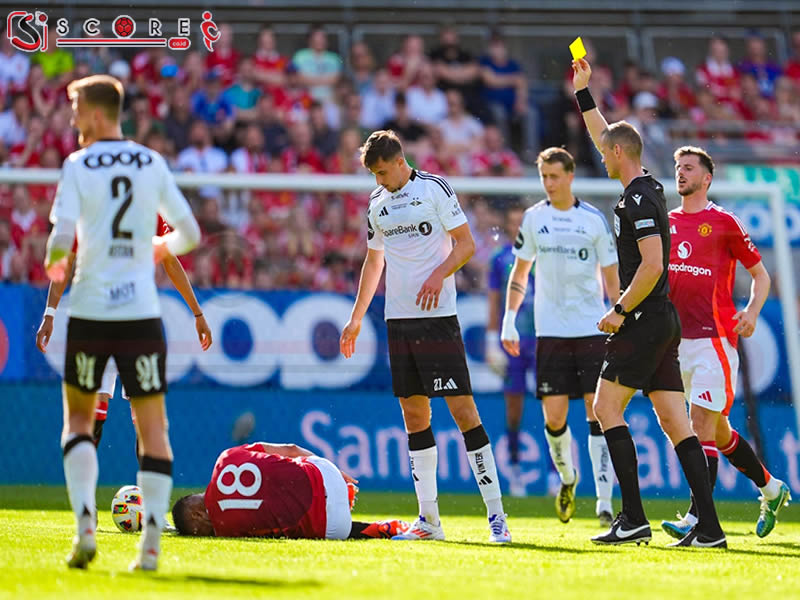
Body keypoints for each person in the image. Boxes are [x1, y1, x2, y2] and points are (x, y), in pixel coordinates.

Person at [44, 74, 201, 571]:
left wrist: (55, 269)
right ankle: (150, 546)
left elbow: (59, 245)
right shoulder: (150, 162)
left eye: (76, 111)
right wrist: (155, 247)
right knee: (153, 428)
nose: (73, 120)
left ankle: (85, 531)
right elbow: (190, 234)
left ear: (95, 114)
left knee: (77, 423)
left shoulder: (77, 165)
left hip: (90, 312)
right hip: (140, 315)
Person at [571, 58, 725, 548]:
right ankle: (710, 528)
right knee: (675, 421)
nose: (601, 156)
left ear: (618, 153)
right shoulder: (650, 186)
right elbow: (606, 134)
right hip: (664, 320)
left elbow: (654, 264)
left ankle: (633, 517)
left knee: (605, 406)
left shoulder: (637, 200)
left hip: (642, 318)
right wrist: (584, 93)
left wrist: (619, 310)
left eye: (605, 152)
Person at [339, 130, 511, 543]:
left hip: (437, 320)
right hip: (398, 322)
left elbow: (466, 245)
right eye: (373, 175)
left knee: (464, 412)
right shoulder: (377, 203)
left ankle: (497, 516)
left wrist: (438, 274)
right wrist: (356, 318)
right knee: (414, 416)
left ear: (400, 162)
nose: (379, 180)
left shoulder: (434, 188)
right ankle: (429, 521)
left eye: (382, 172)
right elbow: (374, 262)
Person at [661, 146, 790, 540]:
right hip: (675, 343)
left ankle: (698, 518)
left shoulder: (724, 222)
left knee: (700, 424)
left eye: (689, 168)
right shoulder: (667, 222)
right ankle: (772, 488)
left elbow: (762, 276)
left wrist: (751, 312)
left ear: (707, 178)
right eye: (678, 167)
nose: (681, 173)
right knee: (718, 432)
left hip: (714, 341)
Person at [501, 147, 619, 525]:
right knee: (554, 418)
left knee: (597, 411)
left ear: (570, 176)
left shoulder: (593, 220)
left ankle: (604, 501)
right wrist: (508, 318)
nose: (549, 184)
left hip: (591, 329)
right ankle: (568, 477)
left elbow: (612, 277)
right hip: (550, 332)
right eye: (544, 177)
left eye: (554, 176)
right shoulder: (534, 218)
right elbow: (520, 273)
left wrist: (619, 316)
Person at [35, 215, 213, 449]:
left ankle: (83, 473)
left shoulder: (91, 206)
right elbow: (170, 260)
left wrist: (50, 313)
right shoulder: (144, 205)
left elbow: (65, 263)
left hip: (103, 318)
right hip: (131, 318)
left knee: (103, 416)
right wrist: (197, 313)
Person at [171, 442, 409, 540]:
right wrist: (336, 473)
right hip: (325, 473)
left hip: (336, 528)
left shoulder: (226, 531)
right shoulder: (225, 457)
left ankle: (376, 529)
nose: (207, 535)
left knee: (298, 527)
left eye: (199, 532)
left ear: (197, 514)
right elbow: (291, 448)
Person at [485, 203, 535, 497]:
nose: (517, 228)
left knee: (552, 407)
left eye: (522, 222)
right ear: (506, 226)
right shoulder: (499, 258)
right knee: (514, 409)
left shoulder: (542, 254)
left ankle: (555, 475)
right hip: (512, 341)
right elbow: (493, 300)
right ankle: (515, 470)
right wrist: (492, 339)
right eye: (513, 223)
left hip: (542, 339)